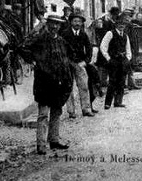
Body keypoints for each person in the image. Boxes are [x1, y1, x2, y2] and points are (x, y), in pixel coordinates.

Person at [17, 14, 73, 155]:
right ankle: (41, 145)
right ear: (47, 24)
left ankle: (54, 140)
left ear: (60, 26)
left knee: (57, 111)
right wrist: (34, 61)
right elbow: (22, 48)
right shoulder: (40, 39)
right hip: (44, 82)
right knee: (43, 114)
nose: (54, 27)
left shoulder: (61, 41)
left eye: (57, 24)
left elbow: (69, 56)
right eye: (52, 23)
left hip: (59, 83)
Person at [62, 10, 96, 118]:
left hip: (80, 63)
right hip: (67, 63)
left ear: (82, 23)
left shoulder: (83, 34)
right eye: (75, 21)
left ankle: (86, 109)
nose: (77, 23)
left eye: (79, 21)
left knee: (84, 86)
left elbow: (89, 49)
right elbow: (61, 49)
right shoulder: (64, 34)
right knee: (68, 87)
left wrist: (85, 61)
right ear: (71, 22)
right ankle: (71, 111)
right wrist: (65, 61)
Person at [100, 12, 132, 109]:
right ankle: (108, 103)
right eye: (119, 24)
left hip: (123, 61)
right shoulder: (110, 33)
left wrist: (127, 59)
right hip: (113, 60)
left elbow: (128, 50)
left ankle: (118, 102)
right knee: (112, 81)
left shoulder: (126, 36)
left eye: (123, 24)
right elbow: (103, 46)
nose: (122, 26)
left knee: (122, 81)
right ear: (116, 25)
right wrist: (108, 58)